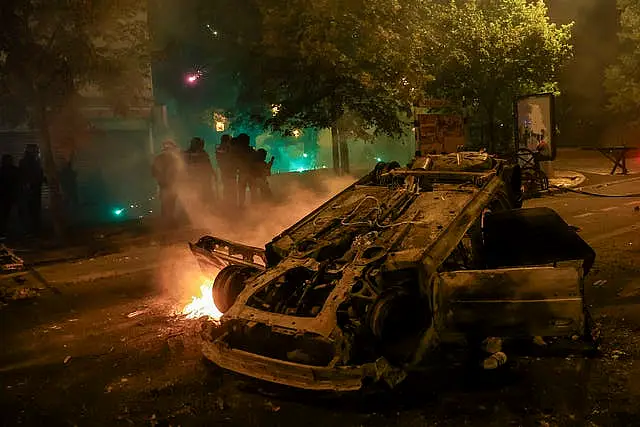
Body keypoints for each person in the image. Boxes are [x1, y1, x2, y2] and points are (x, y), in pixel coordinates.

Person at [152, 139, 183, 227]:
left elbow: (154, 172)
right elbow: (155, 171)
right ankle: (167, 221)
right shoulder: (171, 158)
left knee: (168, 202)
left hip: (168, 184)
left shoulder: (165, 158)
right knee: (168, 203)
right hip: (166, 184)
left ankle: (167, 221)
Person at [18, 144, 45, 235]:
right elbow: (25, 176)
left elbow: (39, 175)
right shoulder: (27, 162)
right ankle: (32, 230)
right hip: (30, 189)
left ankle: (34, 229)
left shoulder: (35, 161)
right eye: (35, 150)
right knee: (31, 210)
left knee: (34, 210)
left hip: (34, 188)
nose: (37, 152)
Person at [184, 136, 217, 210]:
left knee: (201, 195)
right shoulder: (201, 153)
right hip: (195, 179)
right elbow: (208, 165)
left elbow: (208, 165)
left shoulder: (189, 153)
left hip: (198, 179)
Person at [233, 133, 257, 209]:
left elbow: (236, 161)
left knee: (241, 190)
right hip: (251, 172)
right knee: (252, 190)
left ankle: (241, 206)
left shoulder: (238, 151)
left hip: (243, 172)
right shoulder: (251, 150)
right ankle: (254, 205)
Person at [216, 134, 237, 208]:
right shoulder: (226, 148)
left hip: (225, 171)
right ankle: (231, 204)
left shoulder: (219, 148)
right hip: (229, 171)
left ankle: (228, 203)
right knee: (231, 187)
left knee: (227, 186)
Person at [0, 154, 19, 237]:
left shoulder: (14, 170)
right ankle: (4, 231)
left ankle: (8, 231)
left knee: (9, 214)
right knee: (5, 214)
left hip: (11, 195)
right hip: (5, 196)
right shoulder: (4, 171)